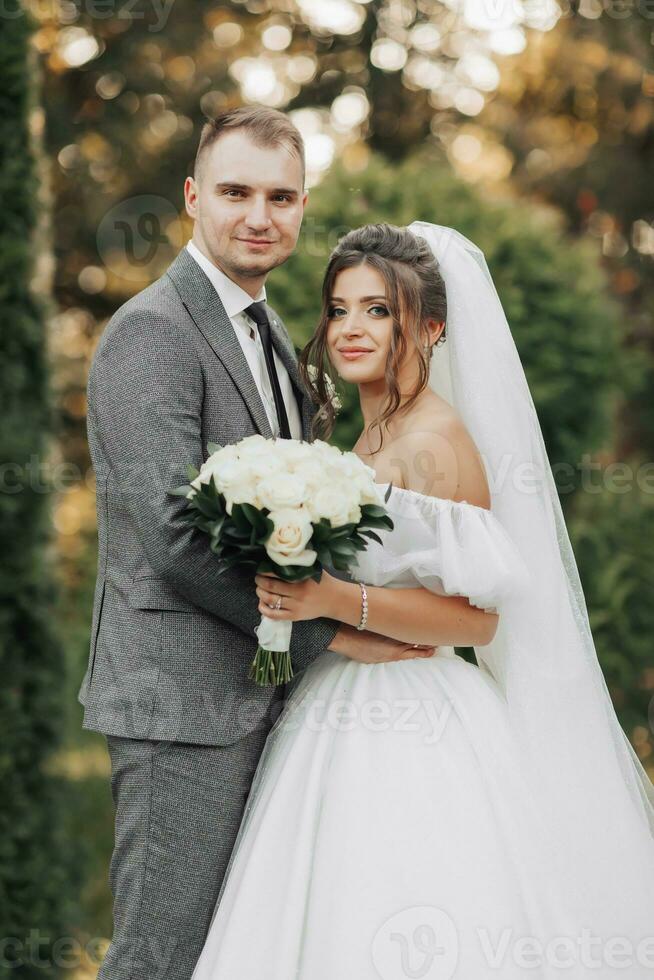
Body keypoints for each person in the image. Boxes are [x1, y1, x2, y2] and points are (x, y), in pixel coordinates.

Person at [191, 222, 654, 979]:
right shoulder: (367, 436)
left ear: (431, 328)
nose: (349, 329)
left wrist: (334, 598)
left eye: (378, 311)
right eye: (339, 309)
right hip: (337, 700)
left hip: (416, 716)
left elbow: (477, 617)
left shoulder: (437, 441)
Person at [77, 110, 440, 980]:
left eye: (280, 197)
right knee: (161, 961)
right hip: (182, 708)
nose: (259, 216)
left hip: (269, 697)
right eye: (236, 192)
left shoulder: (274, 334)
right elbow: (171, 537)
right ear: (195, 198)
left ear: (302, 207)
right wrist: (333, 632)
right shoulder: (151, 334)